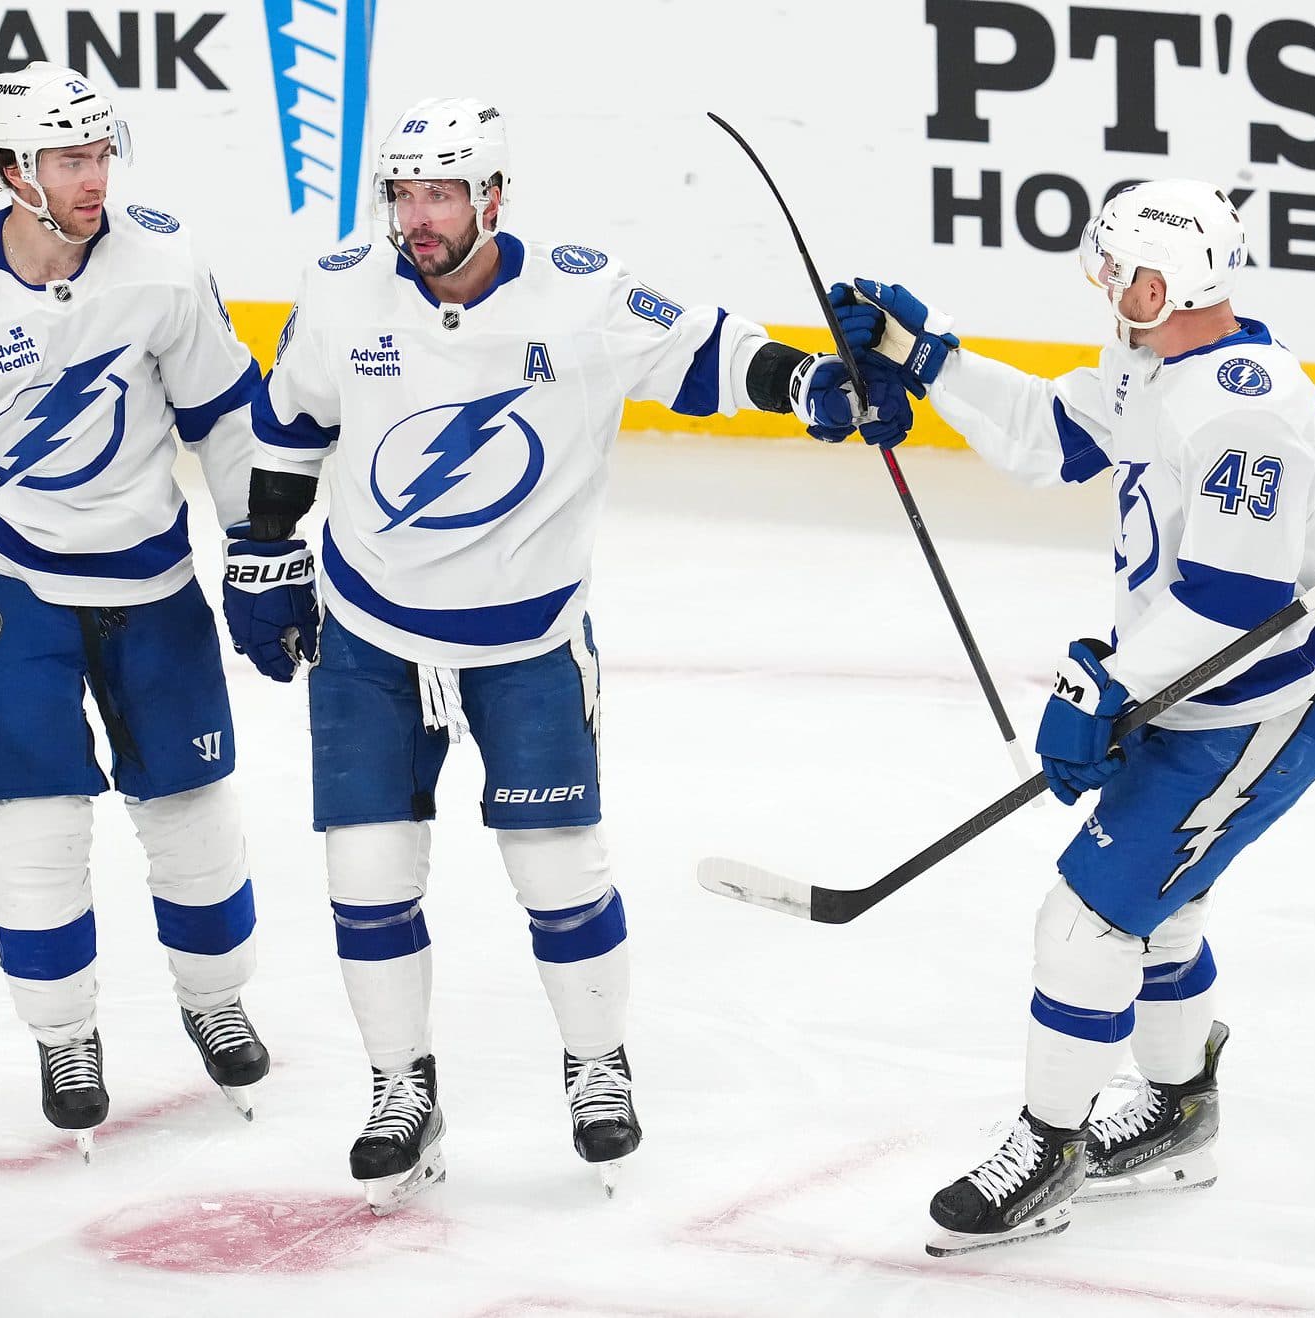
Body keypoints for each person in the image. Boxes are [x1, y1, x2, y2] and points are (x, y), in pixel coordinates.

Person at [221, 96, 913, 1211]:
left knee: (557, 874)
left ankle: (597, 1061)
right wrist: (263, 549)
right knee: (366, 879)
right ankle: (404, 1088)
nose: (418, 217)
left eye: (441, 193)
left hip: (526, 640)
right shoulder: (345, 287)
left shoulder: (584, 292)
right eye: (402, 193)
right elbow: (292, 424)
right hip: (370, 634)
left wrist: (816, 385)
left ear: (494, 197)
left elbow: (710, 351)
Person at [836, 180, 1315, 1255]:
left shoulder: (1246, 413)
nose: (1106, 285)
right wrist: (927, 359)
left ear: (1161, 281)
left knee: (1082, 923)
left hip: (1249, 715)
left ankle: (1049, 1147)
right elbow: (1055, 439)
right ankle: (1177, 1115)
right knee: (1153, 911)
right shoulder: (1158, 358)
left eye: (1118, 271)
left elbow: (1236, 602)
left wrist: (1105, 683)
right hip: (1192, 694)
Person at [0, 62, 272, 1156]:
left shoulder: (166, 259)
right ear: (9, 172)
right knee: (34, 827)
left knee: (192, 814)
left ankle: (215, 998)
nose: (96, 178)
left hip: (150, 579)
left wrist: (263, 543)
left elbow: (227, 412)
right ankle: (64, 1034)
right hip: (5, 584)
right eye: (70, 160)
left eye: (101, 153)